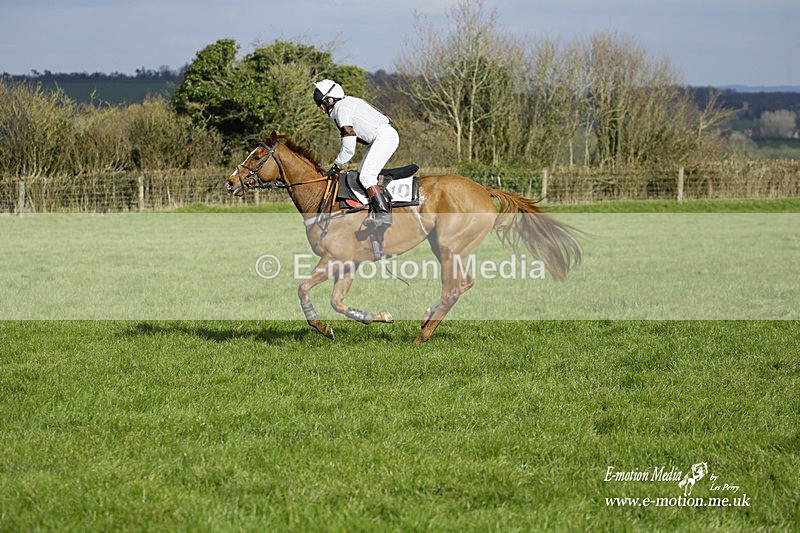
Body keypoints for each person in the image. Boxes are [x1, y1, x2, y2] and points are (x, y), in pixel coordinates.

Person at [313, 79, 398, 229]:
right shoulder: (348, 102)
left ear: (330, 100)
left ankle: (383, 214)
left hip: (384, 137)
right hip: (385, 135)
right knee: (362, 174)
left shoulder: (341, 109)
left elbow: (349, 147)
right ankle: (374, 208)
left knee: (366, 176)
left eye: (321, 103)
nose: (321, 108)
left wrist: (337, 166)